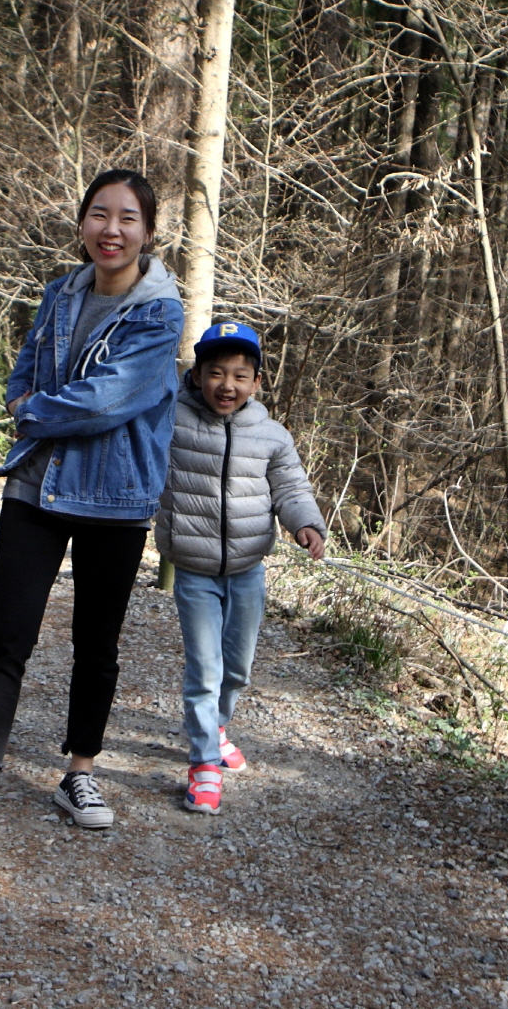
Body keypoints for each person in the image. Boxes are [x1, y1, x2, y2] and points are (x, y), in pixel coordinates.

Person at [0, 169, 184, 839]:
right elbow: (24, 369)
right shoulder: (60, 293)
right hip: (37, 482)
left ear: (147, 232)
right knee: (7, 636)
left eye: (128, 218)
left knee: (96, 644)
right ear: (82, 223)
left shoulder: (161, 312)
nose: (112, 230)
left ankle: (79, 772)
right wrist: (25, 400)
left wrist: (32, 412)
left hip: (116, 495)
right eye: (99, 214)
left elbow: (113, 399)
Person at [156, 321, 326, 815]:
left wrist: (305, 524)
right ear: (197, 376)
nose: (226, 385)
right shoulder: (171, 420)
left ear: (256, 383)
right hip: (193, 568)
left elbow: (291, 488)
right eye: (215, 373)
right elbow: (141, 463)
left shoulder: (272, 436)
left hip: (249, 568)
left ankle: (217, 726)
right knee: (205, 670)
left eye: (239, 375)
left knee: (238, 668)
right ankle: (204, 763)